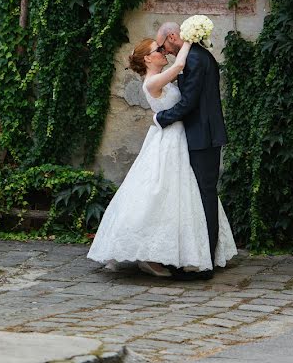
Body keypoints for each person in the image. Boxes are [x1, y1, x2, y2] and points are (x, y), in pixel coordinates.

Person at [87, 36, 236, 278]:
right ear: (147, 58)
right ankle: (149, 257)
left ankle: (182, 251)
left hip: (178, 138)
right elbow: (179, 67)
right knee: (160, 192)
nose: (163, 52)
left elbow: (186, 82)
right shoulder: (152, 81)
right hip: (167, 141)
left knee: (182, 195)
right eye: (159, 50)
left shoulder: (164, 78)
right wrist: (189, 38)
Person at [154, 21, 232, 280]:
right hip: (200, 136)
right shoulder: (196, 55)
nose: (163, 53)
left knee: (205, 196)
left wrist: (160, 119)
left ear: (173, 37)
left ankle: (205, 263)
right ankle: (201, 256)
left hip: (204, 137)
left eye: (163, 47)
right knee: (201, 197)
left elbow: (188, 103)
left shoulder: (195, 60)